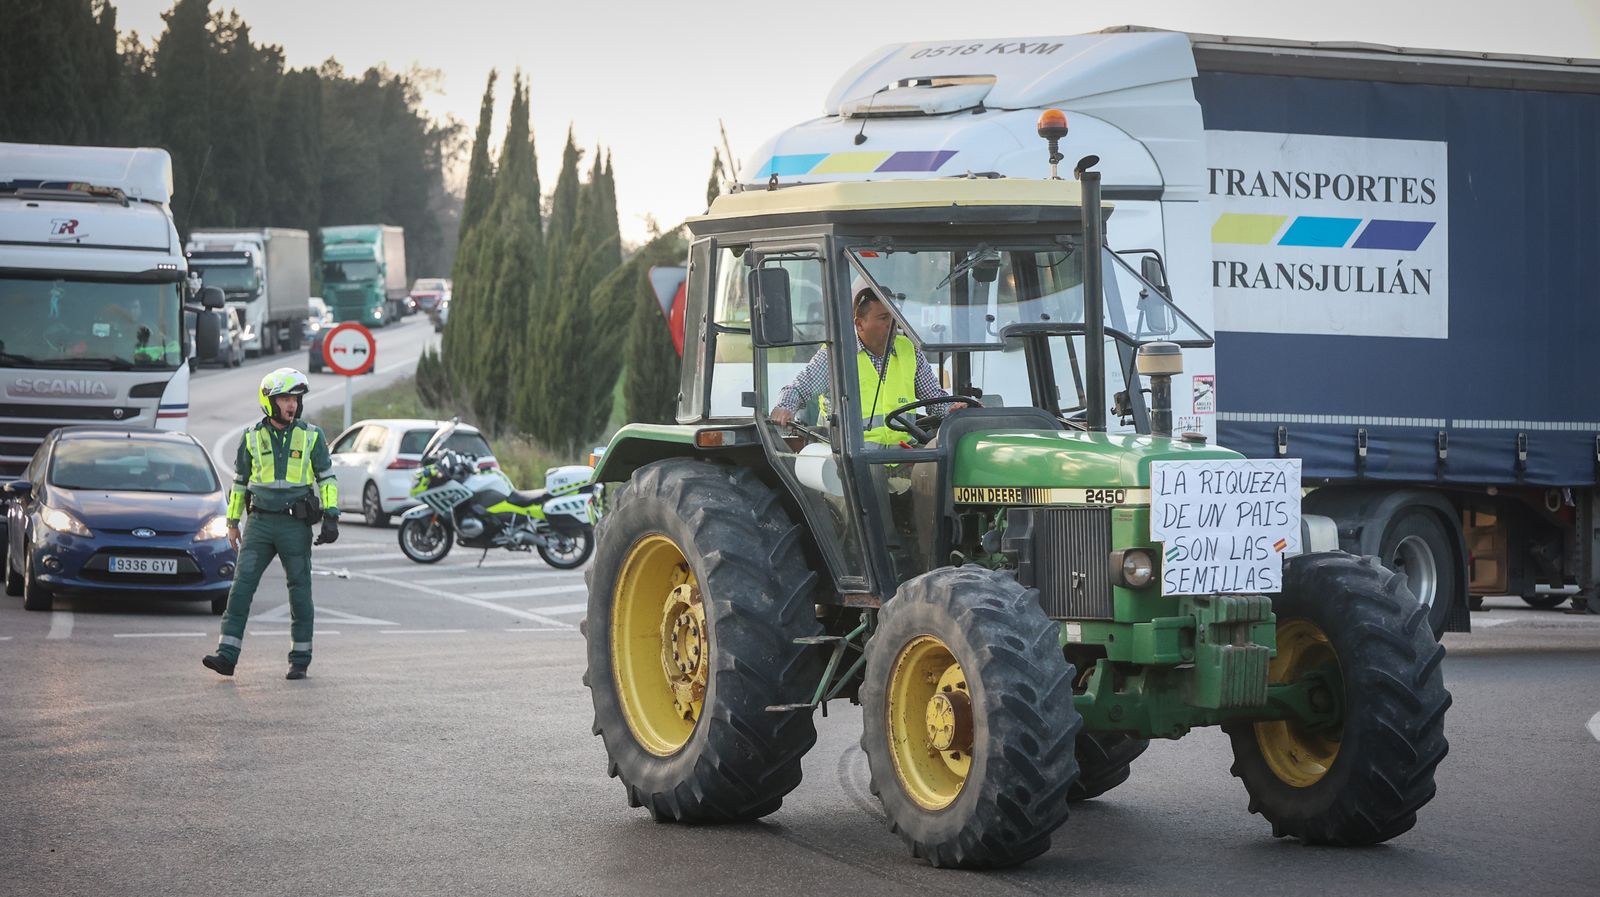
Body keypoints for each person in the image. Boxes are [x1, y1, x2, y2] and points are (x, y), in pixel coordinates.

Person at [203, 368, 339, 681]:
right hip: (259, 523)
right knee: (240, 589)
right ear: (269, 400)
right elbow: (239, 483)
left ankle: (300, 659)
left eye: (295, 398)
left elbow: (327, 477)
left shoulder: (312, 436)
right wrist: (233, 522)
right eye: (285, 398)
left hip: (295, 524)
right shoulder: (250, 437)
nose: (292, 405)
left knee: (300, 592)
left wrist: (331, 515)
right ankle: (226, 655)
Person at [771, 288, 965, 444]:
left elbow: (933, 398)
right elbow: (798, 388)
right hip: (851, 463)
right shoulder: (838, 354)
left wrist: (953, 409)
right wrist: (785, 407)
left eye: (894, 317)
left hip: (903, 453)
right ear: (859, 324)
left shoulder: (909, 350)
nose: (892, 325)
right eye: (883, 318)